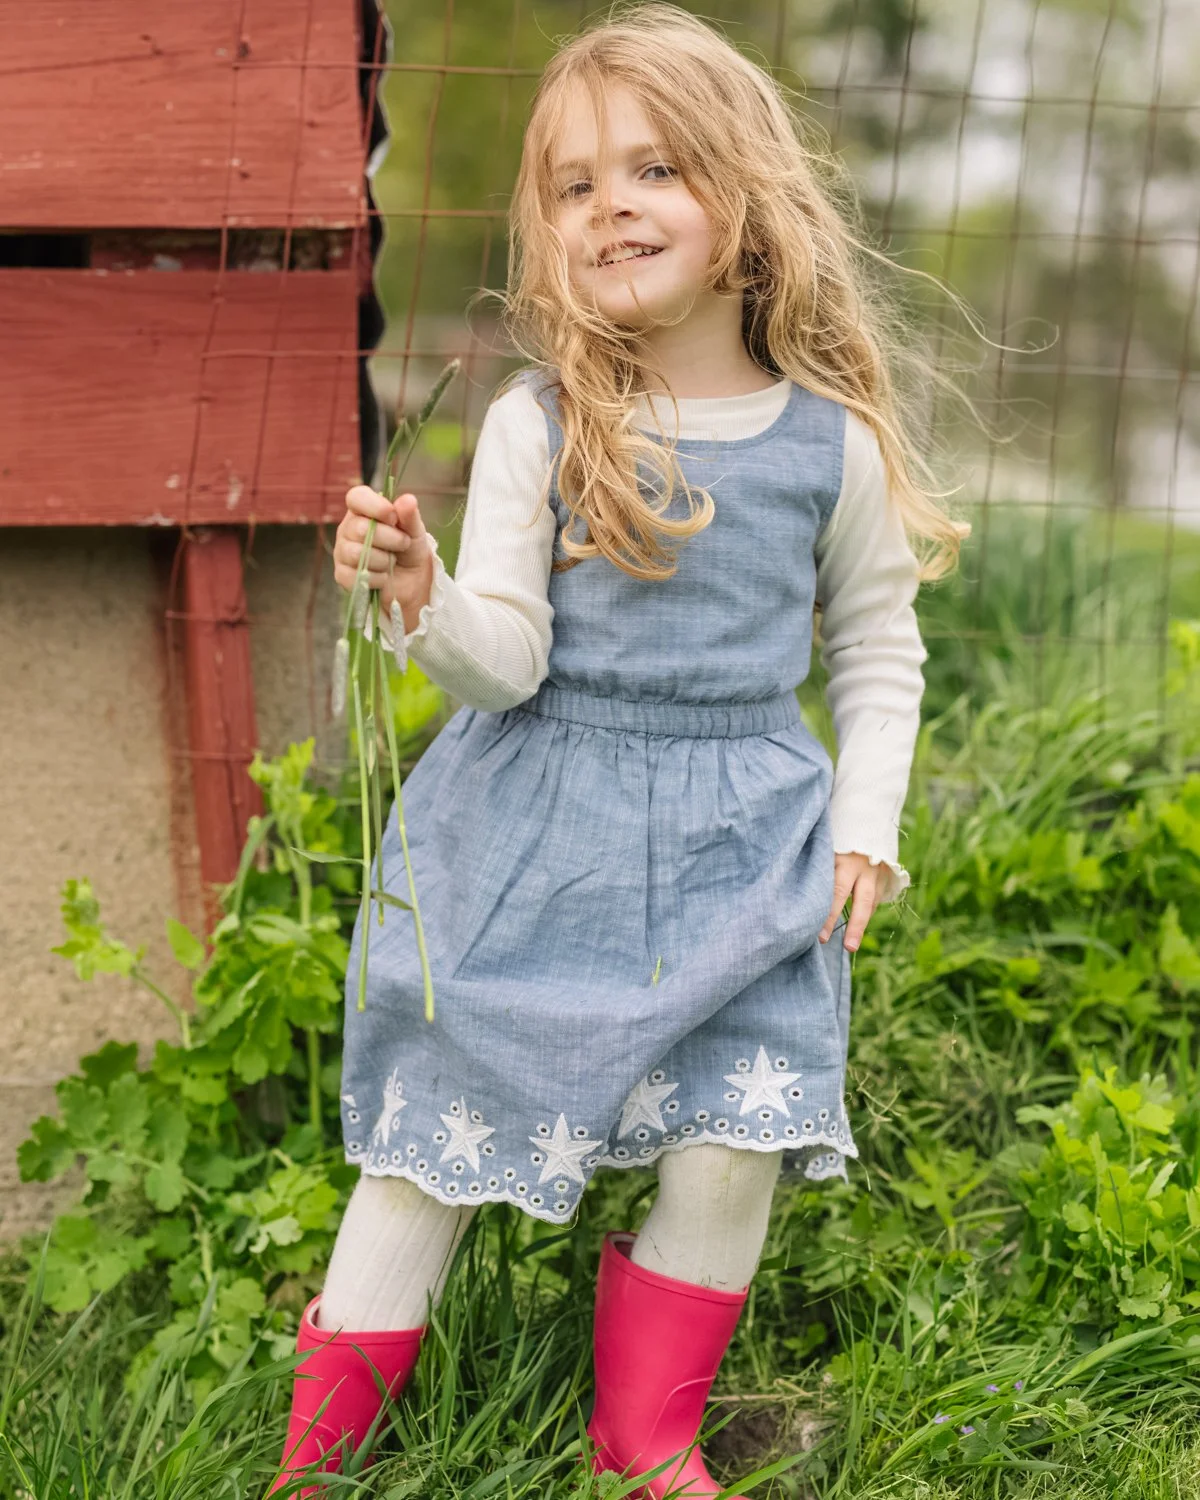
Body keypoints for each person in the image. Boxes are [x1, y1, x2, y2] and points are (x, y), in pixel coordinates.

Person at [269, 4, 970, 1496]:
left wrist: (868, 823)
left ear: (746, 204)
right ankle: (314, 1459)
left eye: (652, 169)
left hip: (745, 847)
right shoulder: (545, 422)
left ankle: (643, 1441)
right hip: (536, 831)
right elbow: (505, 661)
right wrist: (423, 598)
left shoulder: (827, 443)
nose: (610, 208)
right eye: (575, 186)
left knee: (738, 1132)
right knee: (435, 1135)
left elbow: (877, 650)